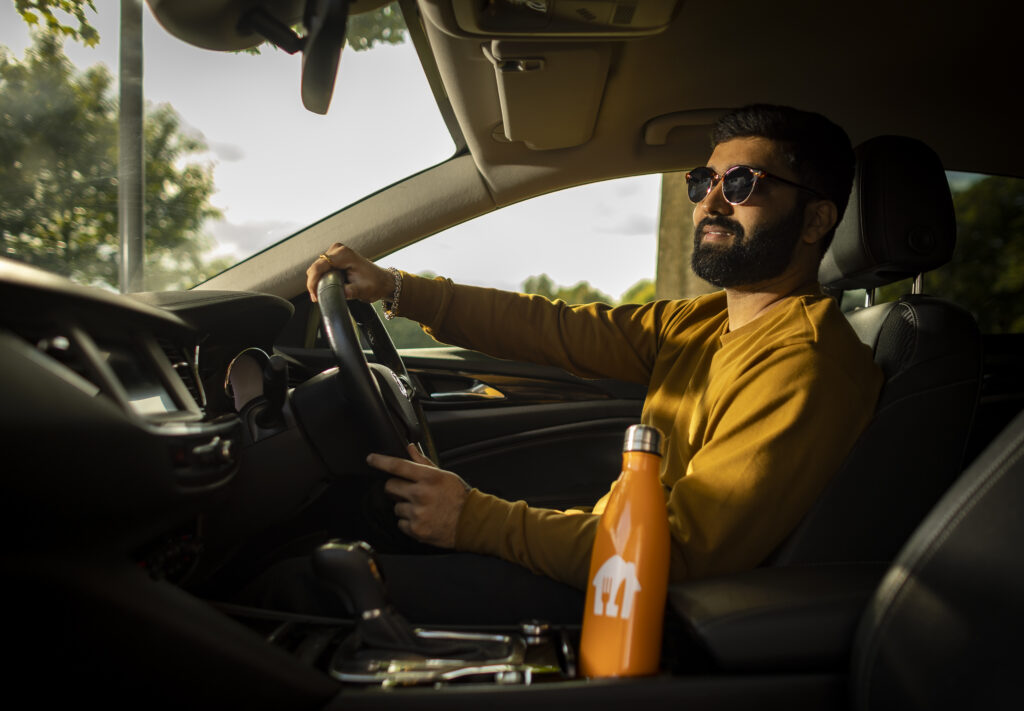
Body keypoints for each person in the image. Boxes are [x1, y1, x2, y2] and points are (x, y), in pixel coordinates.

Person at [297, 104, 883, 622]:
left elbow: (679, 554)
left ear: (815, 220)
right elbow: (561, 331)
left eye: (741, 183)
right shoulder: (705, 322)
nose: (709, 200)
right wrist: (396, 288)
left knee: (306, 585)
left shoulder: (804, 363)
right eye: (704, 180)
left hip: (633, 605)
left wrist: (473, 520)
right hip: (611, 560)